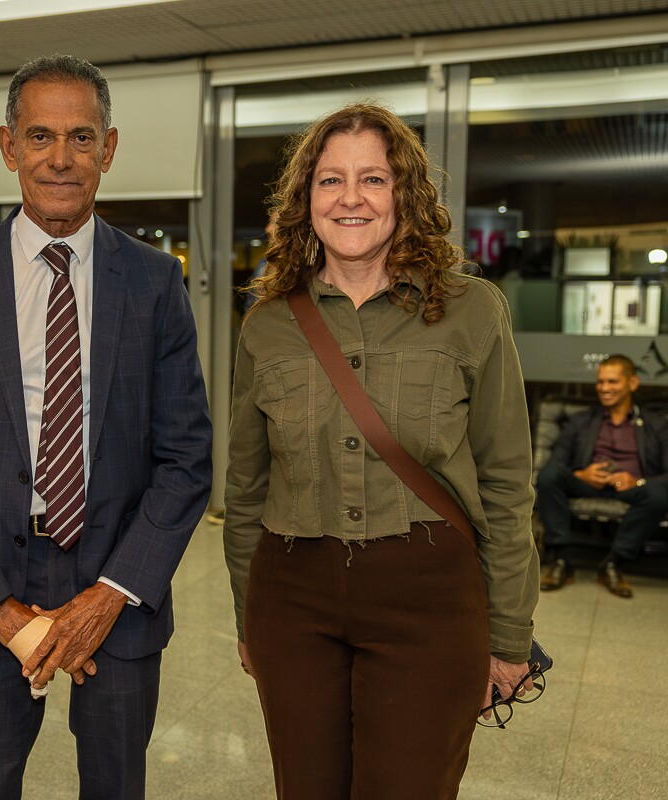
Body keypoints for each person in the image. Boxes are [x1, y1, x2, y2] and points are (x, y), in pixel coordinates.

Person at [0, 54, 212, 800]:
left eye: (81, 137)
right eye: (40, 137)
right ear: (9, 147)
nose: (60, 159)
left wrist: (111, 594)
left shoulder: (155, 283)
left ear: (110, 147)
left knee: (116, 787)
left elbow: (186, 455)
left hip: (118, 583)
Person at [222, 102, 540, 800]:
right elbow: (244, 489)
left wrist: (510, 632)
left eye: (373, 178)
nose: (351, 198)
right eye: (331, 180)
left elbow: (508, 481)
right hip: (292, 597)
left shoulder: (472, 310)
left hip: (429, 597)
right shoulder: (268, 324)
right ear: (307, 200)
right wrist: (251, 616)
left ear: (406, 195)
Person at [537, 354, 668, 598]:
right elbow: (556, 462)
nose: (604, 388)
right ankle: (561, 561)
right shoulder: (581, 421)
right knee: (549, 476)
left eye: (612, 382)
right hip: (589, 483)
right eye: (600, 382)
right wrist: (581, 474)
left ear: (633, 383)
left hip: (631, 486)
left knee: (658, 493)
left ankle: (613, 563)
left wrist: (638, 481)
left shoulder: (656, 424)